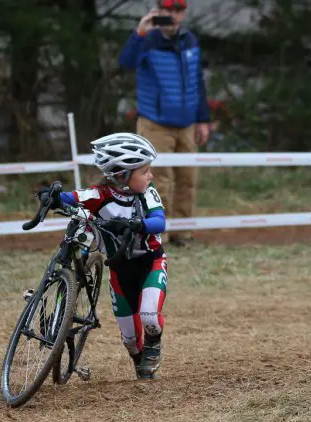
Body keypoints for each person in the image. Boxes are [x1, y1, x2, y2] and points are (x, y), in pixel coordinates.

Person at [44, 133, 168, 380]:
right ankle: (139, 358)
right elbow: (73, 197)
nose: (150, 176)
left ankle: (154, 342)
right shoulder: (99, 194)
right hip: (120, 271)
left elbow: (159, 221)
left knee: (149, 315)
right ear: (122, 175)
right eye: (144, 172)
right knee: (130, 339)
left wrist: (137, 224)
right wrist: (52, 196)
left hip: (150, 263)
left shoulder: (147, 192)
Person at [119, 0, 210, 248]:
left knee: (187, 179)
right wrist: (140, 32)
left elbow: (198, 81)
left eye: (178, 10)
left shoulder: (190, 40)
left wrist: (203, 119)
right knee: (158, 180)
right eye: (168, 9)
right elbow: (125, 63)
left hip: (188, 123)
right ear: (159, 11)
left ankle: (184, 235)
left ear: (184, 13)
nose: (173, 15)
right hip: (155, 123)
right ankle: (161, 235)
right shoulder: (146, 40)